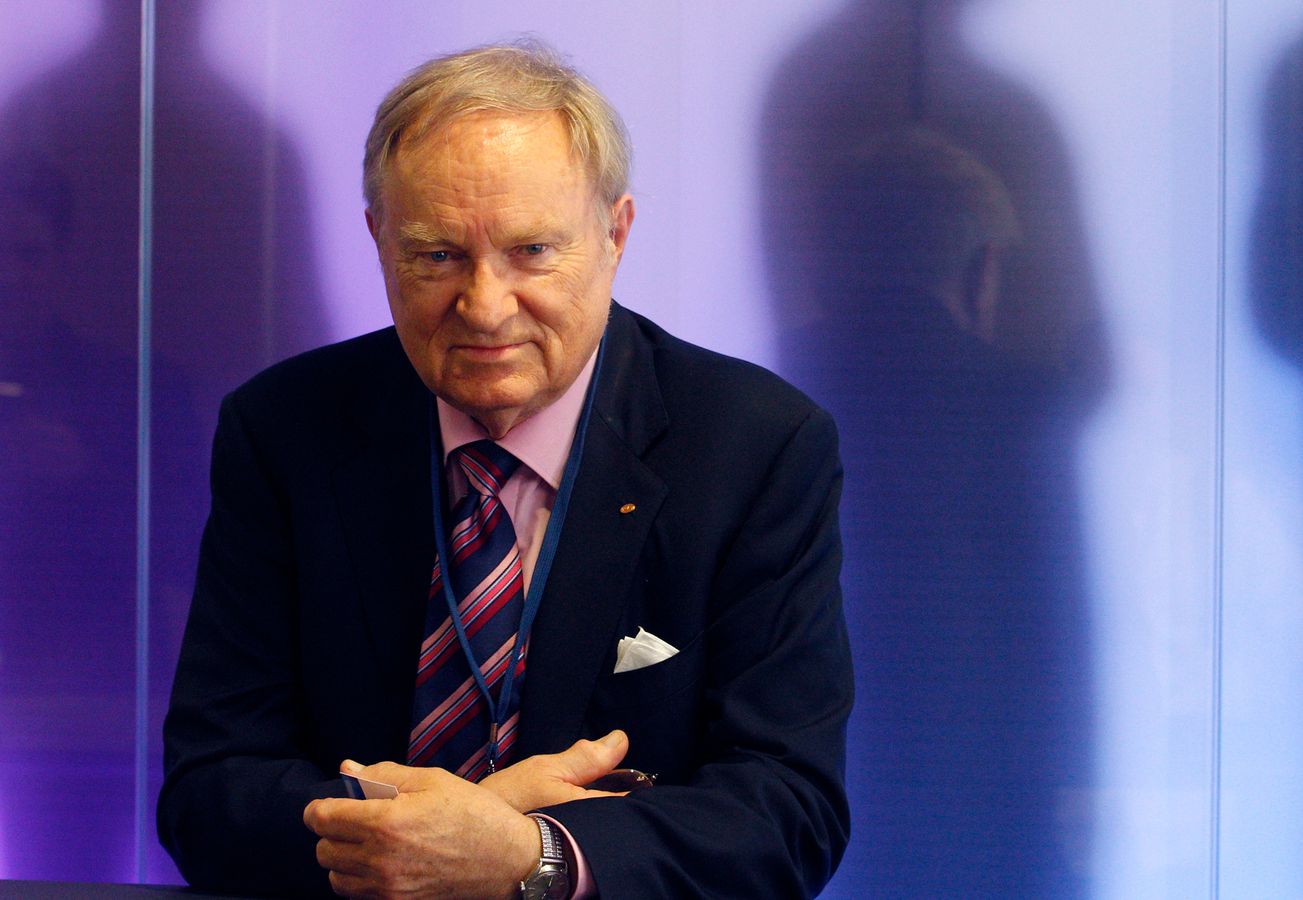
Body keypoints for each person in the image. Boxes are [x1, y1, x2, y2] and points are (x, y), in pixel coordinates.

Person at [158, 41, 852, 899]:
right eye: (437, 255)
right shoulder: (285, 430)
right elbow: (209, 788)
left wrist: (532, 854)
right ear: (378, 239)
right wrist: (421, 837)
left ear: (615, 233)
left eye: (531, 251)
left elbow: (787, 811)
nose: (485, 307)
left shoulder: (756, 446)